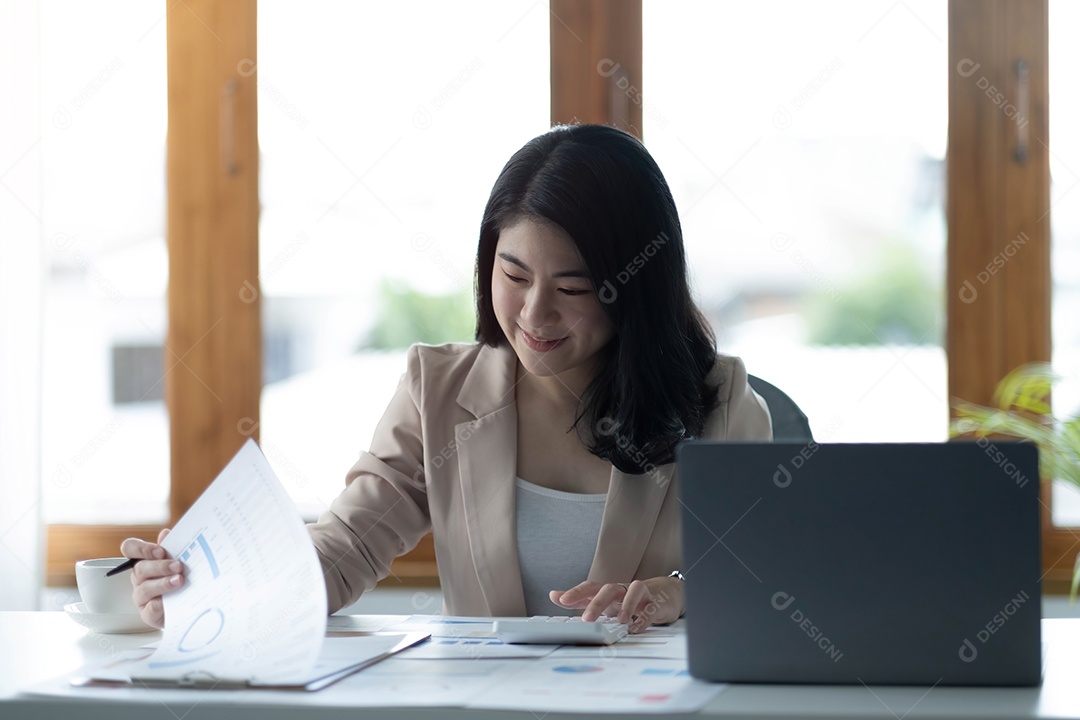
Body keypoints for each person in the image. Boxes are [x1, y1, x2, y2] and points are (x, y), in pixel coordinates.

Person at [122, 124, 773, 634]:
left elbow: (772, 582)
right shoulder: (437, 392)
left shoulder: (719, 404)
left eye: (573, 286)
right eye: (513, 276)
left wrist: (679, 593)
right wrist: (214, 588)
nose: (534, 314)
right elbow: (345, 549)